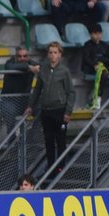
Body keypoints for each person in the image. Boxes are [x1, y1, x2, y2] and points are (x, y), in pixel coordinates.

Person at [24, 42, 75, 172]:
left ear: (60, 54)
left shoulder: (64, 71)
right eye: (50, 52)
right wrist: (30, 105)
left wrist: (68, 112)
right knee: (48, 140)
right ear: (47, 54)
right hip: (46, 110)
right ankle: (51, 165)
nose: (53, 55)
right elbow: (37, 89)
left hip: (59, 109)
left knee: (60, 140)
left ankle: (61, 165)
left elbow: (71, 92)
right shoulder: (43, 70)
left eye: (55, 52)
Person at [81, 23, 109, 110]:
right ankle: (98, 98)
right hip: (93, 67)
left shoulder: (104, 45)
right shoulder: (87, 45)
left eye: (99, 33)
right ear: (91, 34)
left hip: (106, 65)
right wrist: (94, 65)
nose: (97, 36)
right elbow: (86, 58)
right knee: (103, 74)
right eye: (95, 33)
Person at [0, 46, 38, 134]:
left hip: (26, 100)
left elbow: (40, 66)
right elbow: (9, 67)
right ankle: (12, 143)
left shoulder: (31, 63)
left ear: (28, 57)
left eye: (25, 56)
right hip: (9, 100)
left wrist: (34, 67)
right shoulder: (10, 63)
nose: (22, 58)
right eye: (19, 56)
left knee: (42, 109)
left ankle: (33, 136)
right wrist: (28, 67)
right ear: (15, 57)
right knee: (9, 114)